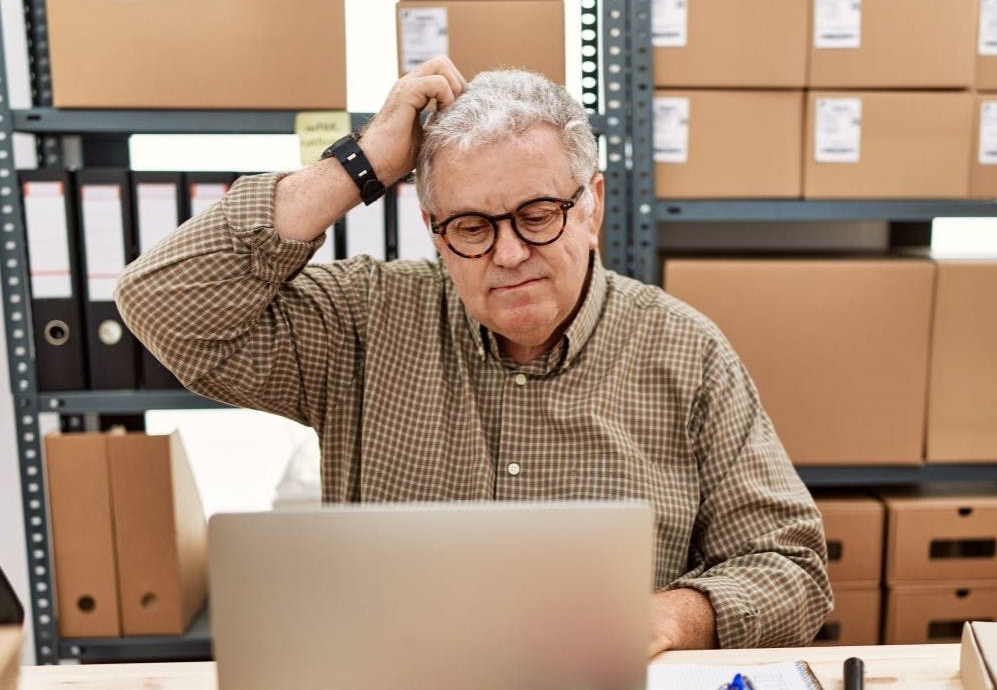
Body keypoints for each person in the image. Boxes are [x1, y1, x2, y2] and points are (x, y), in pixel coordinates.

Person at [116, 58, 832, 656]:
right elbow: (162, 301)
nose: (509, 253)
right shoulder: (362, 321)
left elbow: (792, 571)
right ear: (432, 229)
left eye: (537, 214)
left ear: (591, 208)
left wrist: (670, 618)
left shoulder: (687, 353)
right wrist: (359, 165)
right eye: (471, 226)